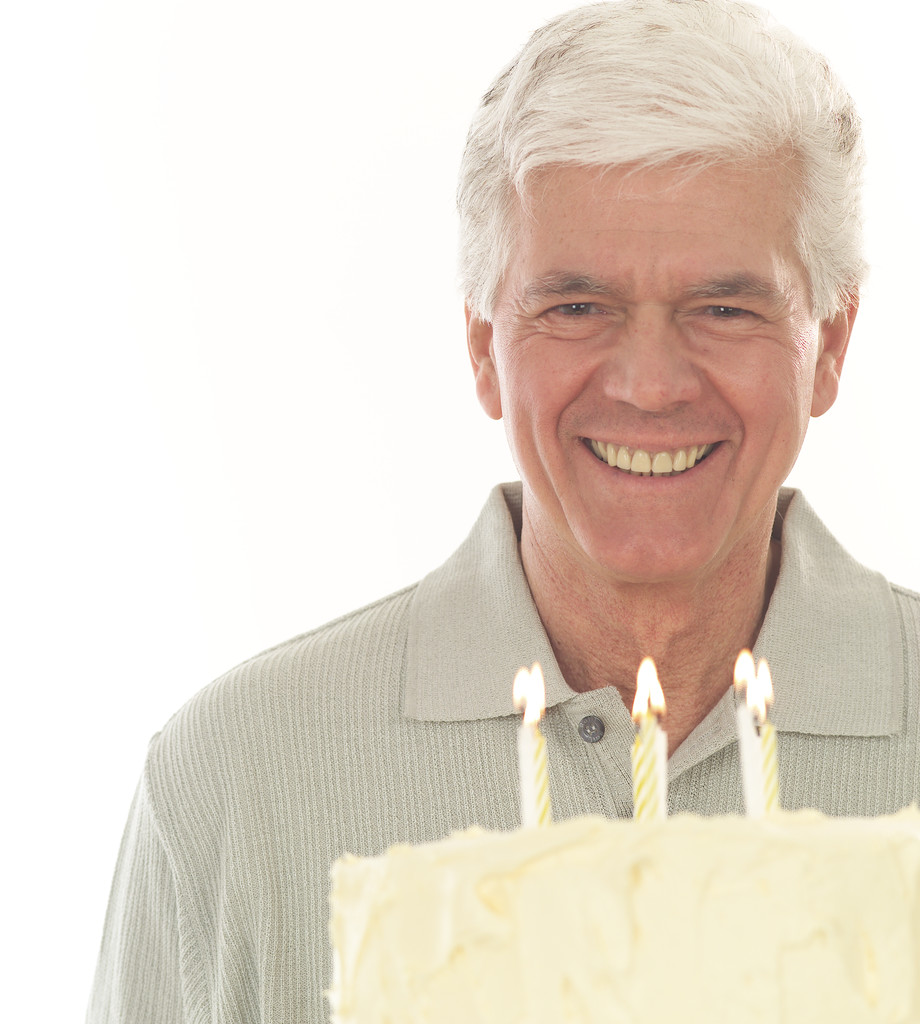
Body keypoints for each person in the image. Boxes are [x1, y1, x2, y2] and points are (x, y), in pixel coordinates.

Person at [88, 1, 920, 1020]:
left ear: (828, 343)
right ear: (482, 345)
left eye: (724, 306)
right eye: (576, 306)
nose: (650, 385)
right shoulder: (240, 782)